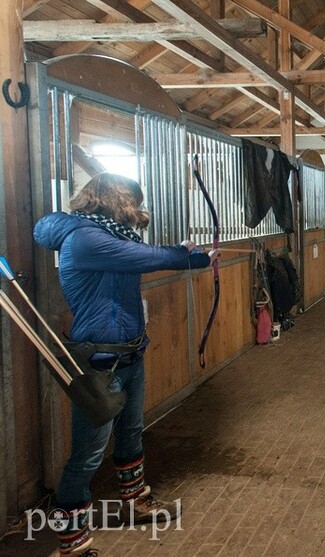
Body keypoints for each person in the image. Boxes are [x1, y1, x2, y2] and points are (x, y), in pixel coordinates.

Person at [33, 172, 220, 556]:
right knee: (87, 455)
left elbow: (141, 255)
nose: (137, 209)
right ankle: (72, 542)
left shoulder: (112, 236)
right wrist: (187, 254)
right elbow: (146, 257)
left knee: (132, 434)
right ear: (114, 200)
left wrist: (191, 256)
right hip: (100, 362)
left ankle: (136, 501)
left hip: (130, 354)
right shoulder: (85, 238)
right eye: (133, 201)